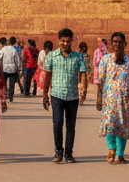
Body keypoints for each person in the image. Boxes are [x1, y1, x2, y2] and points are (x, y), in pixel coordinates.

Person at [41, 27, 88, 163]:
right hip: (56, 94)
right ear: (59, 40)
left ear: (71, 41)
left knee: (71, 125)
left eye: (67, 41)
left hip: (72, 95)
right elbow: (47, 75)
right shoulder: (52, 56)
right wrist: (44, 95)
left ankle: (68, 153)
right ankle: (58, 152)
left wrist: (83, 89)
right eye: (62, 41)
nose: (65, 44)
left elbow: (83, 73)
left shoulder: (78, 57)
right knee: (57, 123)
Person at [95, 32, 129, 164]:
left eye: (120, 42)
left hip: (126, 99)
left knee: (123, 126)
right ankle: (111, 148)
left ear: (125, 44)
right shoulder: (105, 59)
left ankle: (120, 154)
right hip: (109, 99)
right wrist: (99, 98)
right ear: (111, 43)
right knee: (110, 124)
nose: (117, 44)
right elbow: (101, 80)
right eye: (115, 41)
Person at [0, 36, 21, 103]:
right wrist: (18, 68)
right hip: (13, 69)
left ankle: (5, 94)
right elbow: (17, 61)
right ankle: (11, 96)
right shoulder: (14, 50)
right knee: (11, 83)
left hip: (5, 68)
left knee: (4, 83)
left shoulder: (4, 49)